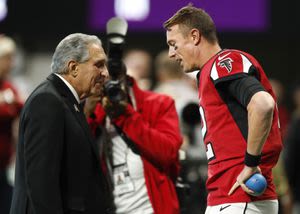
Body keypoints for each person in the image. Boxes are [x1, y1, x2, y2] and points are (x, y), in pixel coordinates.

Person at [164, 4, 282, 214]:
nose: (171, 54)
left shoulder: (223, 62)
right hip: (234, 198)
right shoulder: (209, 72)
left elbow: (262, 104)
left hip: (239, 197)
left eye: (174, 44)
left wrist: (250, 163)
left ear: (194, 36)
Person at [10, 33, 115, 214]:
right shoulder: (47, 101)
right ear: (73, 67)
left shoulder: (67, 101)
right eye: (98, 65)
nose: (105, 73)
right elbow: (41, 182)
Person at [85, 66, 183, 213]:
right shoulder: (96, 115)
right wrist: (87, 114)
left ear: (128, 81)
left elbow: (168, 153)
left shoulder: (159, 104)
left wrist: (126, 116)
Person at [0, 35, 23, 214]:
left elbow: (22, 108)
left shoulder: (8, 86)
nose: (12, 63)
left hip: (4, 162)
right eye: (8, 58)